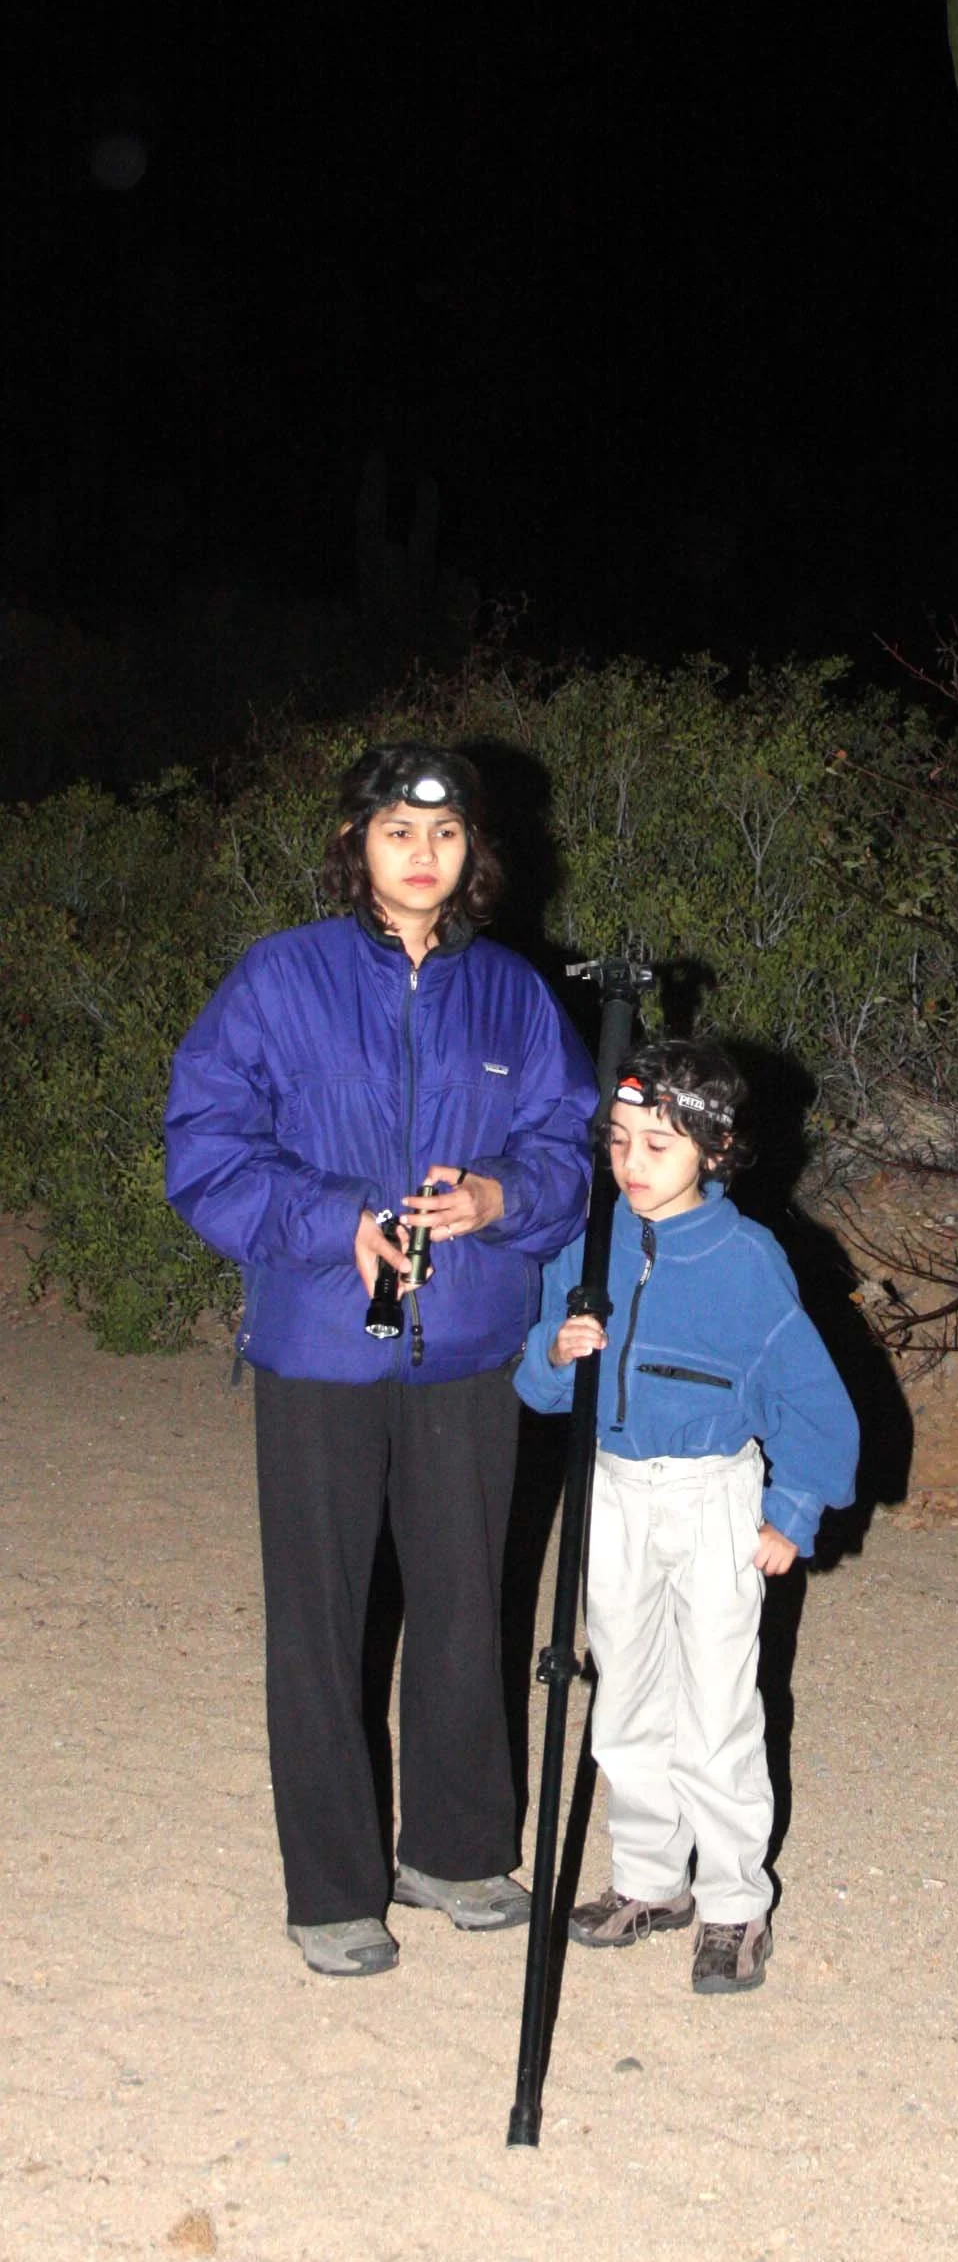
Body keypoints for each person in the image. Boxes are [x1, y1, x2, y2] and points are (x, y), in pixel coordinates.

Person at [165, 744, 598, 1977]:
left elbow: (570, 1144)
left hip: (468, 1340)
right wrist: (330, 1224)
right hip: (319, 1339)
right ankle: (335, 1886)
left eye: (447, 833)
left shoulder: (514, 992)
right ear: (358, 842)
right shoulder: (279, 977)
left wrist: (502, 1194)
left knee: (469, 1600)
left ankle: (457, 1850)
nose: (423, 852)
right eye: (399, 831)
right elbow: (204, 1142)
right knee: (323, 1618)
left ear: (472, 853)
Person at [513, 1037, 858, 1995]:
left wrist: (791, 1510)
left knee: (714, 1708)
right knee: (623, 1696)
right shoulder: (588, 1240)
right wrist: (555, 1352)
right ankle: (650, 1881)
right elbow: (535, 1384)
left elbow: (816, 1404)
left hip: (712, 1495)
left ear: (715, 1151)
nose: (630, 1165)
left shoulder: (748, 1261)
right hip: (615, 1489)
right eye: (618, 1142)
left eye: (657, 1147)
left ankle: (734, 1903)